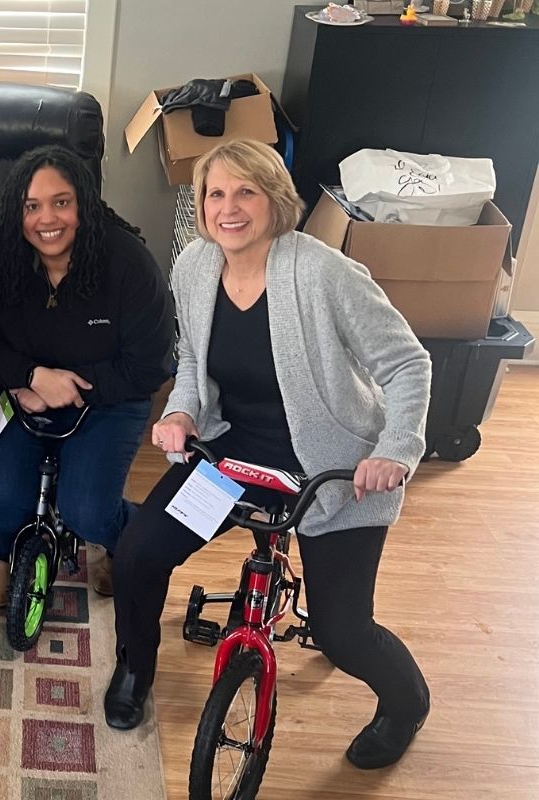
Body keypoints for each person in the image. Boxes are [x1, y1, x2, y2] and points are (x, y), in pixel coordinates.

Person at [109, 138, 431, 770]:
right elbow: (196, 365)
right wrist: (180, 411)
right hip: (237, 454)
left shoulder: (323, 273)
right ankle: (132, 670)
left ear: (275, 199)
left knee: (342, 633)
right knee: (138, 554)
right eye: (215, 194)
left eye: (245, 192)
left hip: (335, 469)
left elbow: (406, 363)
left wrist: (394, 449)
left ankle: (406, 701)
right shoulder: (195, 267)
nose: (228, 209)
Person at [0, 144, 175, 605]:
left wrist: (66, 386)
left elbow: (151, 365)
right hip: (18, 393)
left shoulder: (129, 263)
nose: (46, 219)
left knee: (88, 512)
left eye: (61, 202)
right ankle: (4, 552)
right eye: (31, 206)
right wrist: (30, 377)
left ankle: (119, 541)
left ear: (84, 203)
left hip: (108, 400)